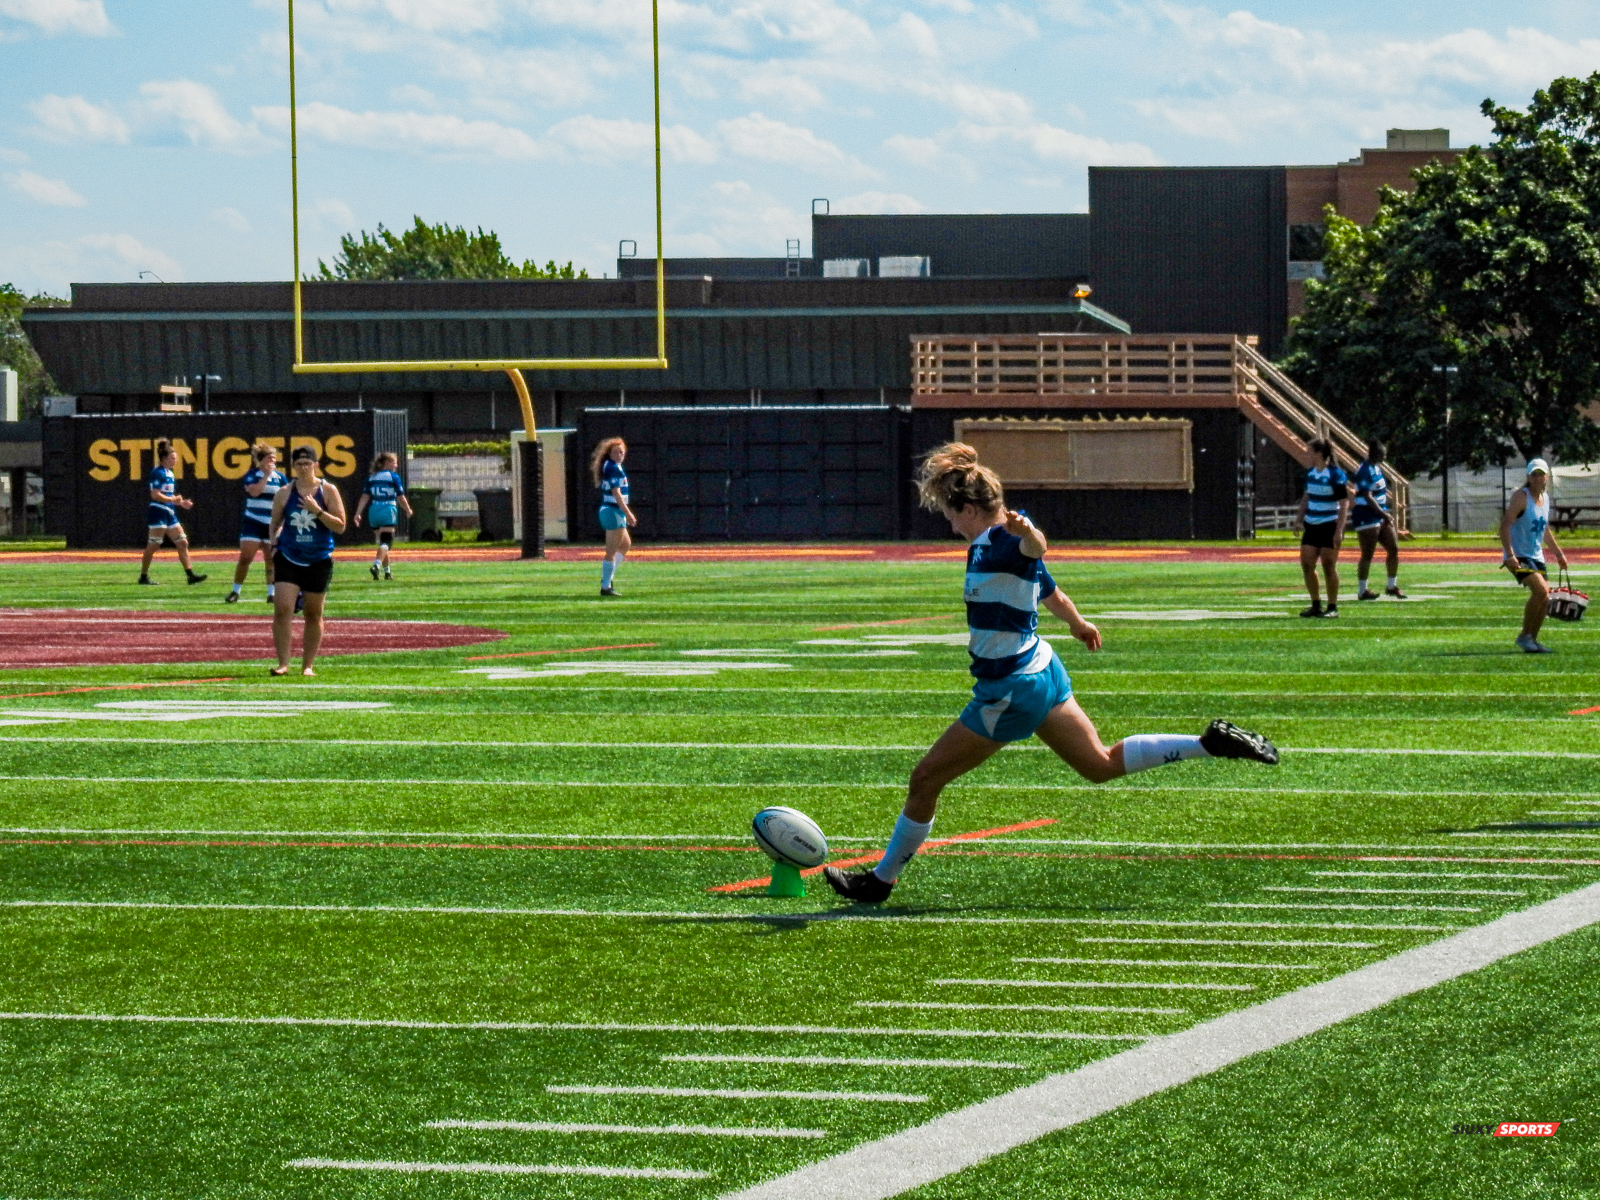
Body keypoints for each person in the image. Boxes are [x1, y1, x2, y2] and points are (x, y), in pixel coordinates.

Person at [824, 443, 1279, 905]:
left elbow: (1034, 548)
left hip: (1011, 688)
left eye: (949, 512)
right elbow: (1051, 591)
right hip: (1043, 669)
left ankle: (880, 881)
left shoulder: (1003, 542)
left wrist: (1029, 534)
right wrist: (1078, 624)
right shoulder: (988, 546)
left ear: (968, 509)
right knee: (1099, 764)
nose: (949, 522)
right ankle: (1208, 744)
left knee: (925, 780)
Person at [268, 444, 346, 677]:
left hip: (318, 558)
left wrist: (317, 511)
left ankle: (307, 665)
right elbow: (274, 522)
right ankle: (283, 663)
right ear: (293, 466)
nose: (303, 468)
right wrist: (274, 544)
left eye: (308, 463)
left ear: (316, 465)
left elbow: (340, 526)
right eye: (299, 464)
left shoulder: (328, 490)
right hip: (289, 556)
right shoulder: (284, 492)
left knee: (313, 613)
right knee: (283, 609)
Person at [1499, 458, 1569, 654]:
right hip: (1519, 555)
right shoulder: (1521, 497)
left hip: (1536, 555)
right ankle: (1524, 636)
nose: (1537, 478)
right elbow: (1504, 526)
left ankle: (1532, 639)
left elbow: (1544, 529)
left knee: (1545, 597)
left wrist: (1559, 554)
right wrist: (1509, 555)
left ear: (1547, 477)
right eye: (1534, 474)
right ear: (1528, 477)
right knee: (1541, 592)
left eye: (1541, 474)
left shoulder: (1545, 499)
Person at [138, 439, 206, 586]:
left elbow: (168, 496)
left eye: (175, 458)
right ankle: (143, 576)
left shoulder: (169, 473)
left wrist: (181, 503)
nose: (175, 461)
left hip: (169, 512)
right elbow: (155, 495)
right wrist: (173, 499)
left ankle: (190, 575)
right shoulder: (157, 472)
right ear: (163, 458)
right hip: (158, 511)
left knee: (182, 542)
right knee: (154, 545)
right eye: (172, 458)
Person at [1293, 438, 1349, 618]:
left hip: (1329, 524)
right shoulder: (1310, 474)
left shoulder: (1335, 474)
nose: (1306, 455)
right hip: (1312, 524)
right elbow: (1306, 497)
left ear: (1318, 454)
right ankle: (1316, 604)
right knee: (1307, 565)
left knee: (1328, 565)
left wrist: (1339, 530)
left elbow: (1344, 503)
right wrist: (1299, 519)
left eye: (1309, 452)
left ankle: (1332, 607)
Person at [226, 443, 284, 603]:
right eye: (269, 458)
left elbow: (285, 498)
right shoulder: (252, 474)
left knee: (271, 559)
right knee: (246, 557)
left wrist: (281, 522)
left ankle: (271, 593)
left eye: (274, 458)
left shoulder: (280, 478)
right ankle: (235, 591)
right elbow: (254, 492)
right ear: (261, 460)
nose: (272, 461)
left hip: (271, 523)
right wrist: (265, 476)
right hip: (253, 521)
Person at [1352, 440, 1405, 601]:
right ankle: (1362, 590)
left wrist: (1384, 512)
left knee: (1393, 548)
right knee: (1368, 553)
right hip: (1366, 513)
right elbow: (1367, 496)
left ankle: (1391, 586)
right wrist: (1383, 513)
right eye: (1383, 453)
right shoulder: (1364, 470)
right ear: (1374, 453)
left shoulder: (1377, 468)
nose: (1385, 456)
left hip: (1380, 513)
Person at [353, 452, 412, 581]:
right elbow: (400, 497)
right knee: (387, 542)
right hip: (387, 509)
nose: (396, 465)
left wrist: (358, 513)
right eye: (394, 462)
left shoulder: (372, 477)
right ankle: (376, 565)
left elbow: (365, 497)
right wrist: (408, 509)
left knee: (382, 544)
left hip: (374, 510)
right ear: (387, 463)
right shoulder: (393, 477)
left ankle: (387, 572)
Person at [591, 437, 637, 597]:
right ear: (609, 454)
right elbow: (616, 494)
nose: (619, 455)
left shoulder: (612, 466)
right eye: (616, 452)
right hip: (612, 511)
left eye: (621, 452)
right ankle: (606, 586)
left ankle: (607, 578)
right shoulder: (613, 468)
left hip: (612, 510)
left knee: (625, 545)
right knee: (611, 551)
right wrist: (628, 513)